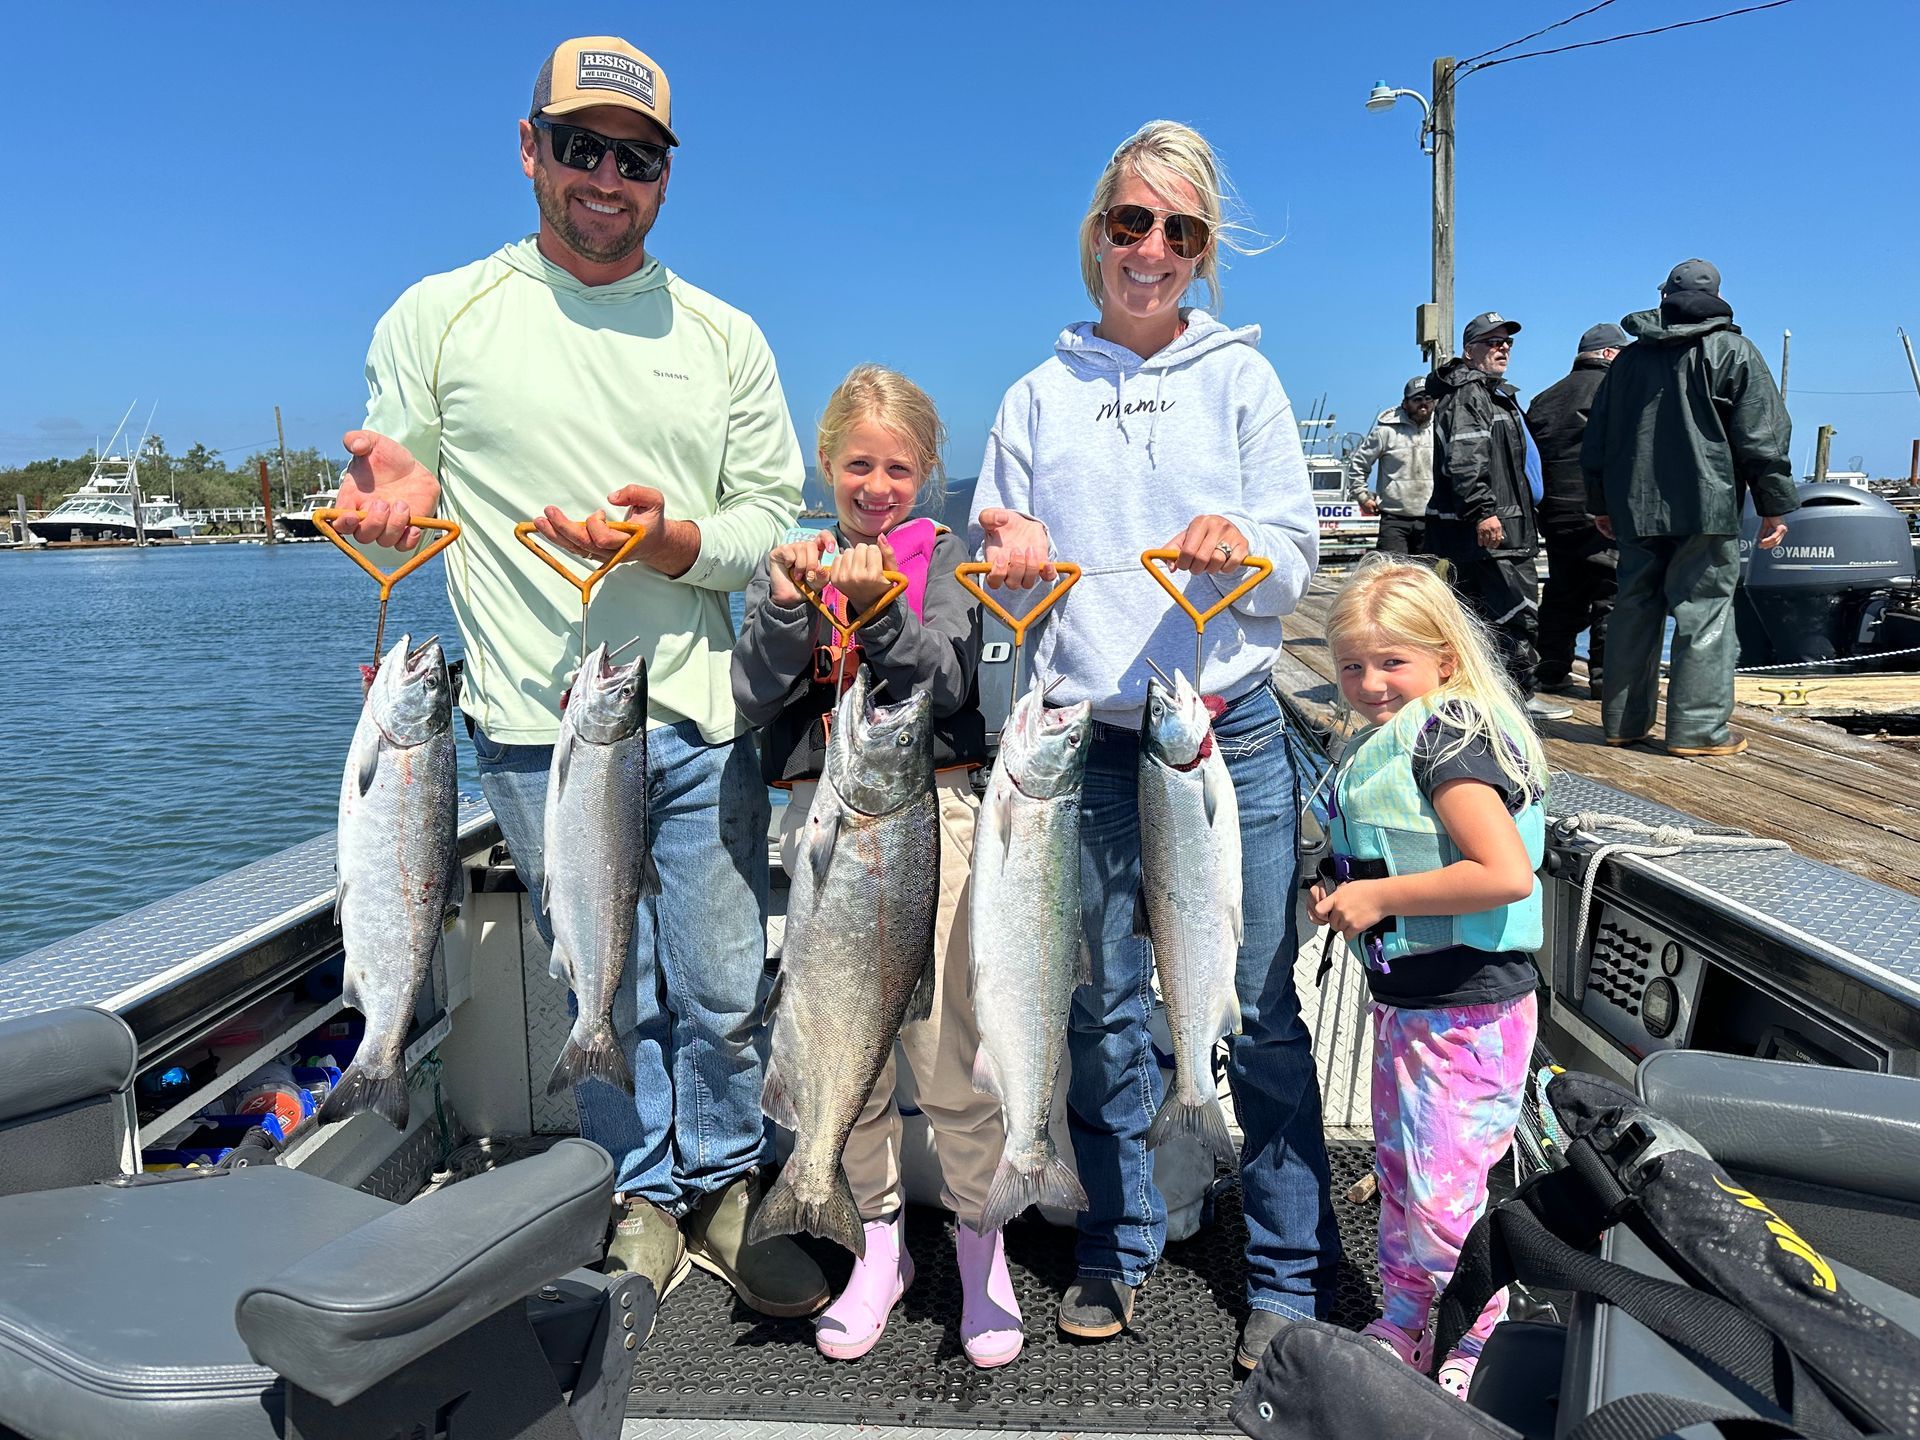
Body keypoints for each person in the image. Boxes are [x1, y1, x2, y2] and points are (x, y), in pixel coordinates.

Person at [329, 35, 826, 1322]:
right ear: (529, 146)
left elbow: (775, 520)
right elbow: (403, 468)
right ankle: (640, 1191)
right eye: (582, 146)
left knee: (720, 985)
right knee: (604, 982)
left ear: (667, 176)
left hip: (705, 718)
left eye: (637, 157)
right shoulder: (437, 315)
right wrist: (396, 496)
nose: (607, 176)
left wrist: (673, 542)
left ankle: (726, 1180)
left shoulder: (725, 336)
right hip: (532, 732)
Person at [967, 120, 1339, 1373]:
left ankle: (1287, 1272)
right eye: (1135, 223)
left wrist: (1250, 552)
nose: (1156, 250)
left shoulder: (1244, 381)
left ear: (1203, 251)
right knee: (1101, 1003)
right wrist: (1007, 549)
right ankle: (1115, 1242)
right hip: (1086, 744)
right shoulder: (1034, 393)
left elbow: (1297, 562)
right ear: (1099, 233)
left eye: (1182, 232)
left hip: (1218, 732)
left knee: (1264, 1004)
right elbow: (996, 556)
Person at [731, 365, 1020, 1367]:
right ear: (827, 465)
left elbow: (943, 675)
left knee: (947, 1049)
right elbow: (755, 694)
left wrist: (882, 613)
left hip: (924, 813)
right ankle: (879, 1240)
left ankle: (982, 1244)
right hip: (824, 819)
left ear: (931, 474)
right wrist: (780, 606)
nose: (879, 485)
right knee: (837, 1056)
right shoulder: (802, 560)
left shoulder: (939, 560)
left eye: (899, 467)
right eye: (860, 465)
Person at [1310, 555, 1547, 1400]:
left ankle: (1479, 1337)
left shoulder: (1449, 741)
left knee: (1448, 1193)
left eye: (1391, 663)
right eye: (1351, 667)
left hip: (1469, 1012)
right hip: (1410, 1003)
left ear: (1445, 658)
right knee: (1405, 1178)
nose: (1370, 684)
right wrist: (1344, 887)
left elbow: (1504, 873)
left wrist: (1377, 895)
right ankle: (1409, 1319)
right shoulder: (1389, 741)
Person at [1582, 259, 1797, 757]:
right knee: (1704, 613)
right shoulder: (1734, 352)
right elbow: (1762, 439)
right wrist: (1775, 504)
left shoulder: (1629, 360)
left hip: (1635, 509)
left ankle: (1622, 725)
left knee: (1634, 608)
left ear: (1665, 297)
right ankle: (1697, 732)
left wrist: (1601, 503)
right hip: (1709, 506)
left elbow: (1598, 438)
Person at [1425, 313, 1571, 722]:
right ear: (1469, 351)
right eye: (1491, 342)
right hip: (1495, 531)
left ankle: (1487, 696)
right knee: (1517, 613)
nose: (1502, 347)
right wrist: (1483, 512)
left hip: (1497, 528)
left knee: (1478, 615)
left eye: (1506, 342)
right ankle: (1521, 696)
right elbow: (1466, 459)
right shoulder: (1472, 393)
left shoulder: (1490, 393)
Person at [1526, 323, 1628, 700]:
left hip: (1554, 514)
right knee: (1611, 590)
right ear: (1608, 354)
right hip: (1601, 511)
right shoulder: (1616, 391)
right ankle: (1605, 676)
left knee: (1562, 590)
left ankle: (1551, 669)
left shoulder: (1543, 399)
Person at [1343, 377, 1435, 555]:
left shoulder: (1441, 428)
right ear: (1405, 403)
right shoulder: (1385, 431)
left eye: (1428, 399)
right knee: (1394, 576)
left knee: (1428, 578)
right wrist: (1362, 496)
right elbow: (1359, 465)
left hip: (1431, 519)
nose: (1423, 404)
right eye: (1417, 399)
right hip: (1394, 520)